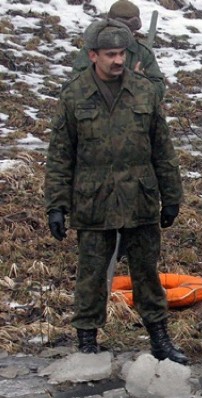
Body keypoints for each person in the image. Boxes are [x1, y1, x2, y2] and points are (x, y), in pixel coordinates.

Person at [44, 19, 187, 364]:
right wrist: (56, 205)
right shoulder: (74, 94)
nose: (119, 60)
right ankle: (88, 343)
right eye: (111, 54)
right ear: (93, 55)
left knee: (146, 272)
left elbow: (162, 149)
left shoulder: (144, 91)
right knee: (91, 275)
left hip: (139, 197)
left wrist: (172, 196)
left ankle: (159, 340)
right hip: (94, 200)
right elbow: (60, 155)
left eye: (122, 53)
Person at [71, 0, 166, 99]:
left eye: (131, 30)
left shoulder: (143, 52)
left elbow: (159, 90)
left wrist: (142, 83)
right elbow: (75, 84)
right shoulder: (94, 48)